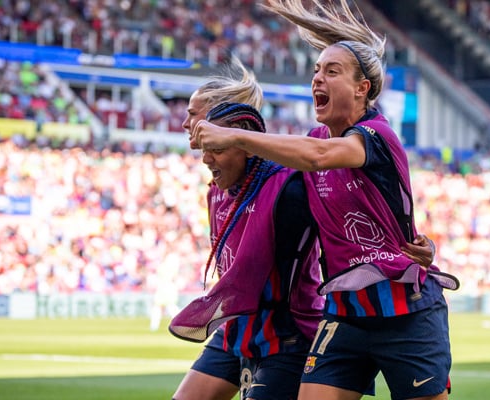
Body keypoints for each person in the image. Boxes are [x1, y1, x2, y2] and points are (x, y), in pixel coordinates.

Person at [190, 1, 459, 399]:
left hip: (406, 310)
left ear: (362, 88)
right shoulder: (311, 144)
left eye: (331, 72)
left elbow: (318, 159)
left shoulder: (375, 136)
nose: (318, 78)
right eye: (316, 71)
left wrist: (235, 136)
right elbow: (276, 172)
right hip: (345, 314)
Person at [170, 100, 324, 400]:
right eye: (205, 150)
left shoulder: (289, 188)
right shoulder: (215, 193)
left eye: (217, 149)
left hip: (286, 336)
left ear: (250, 147)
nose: (206, 159)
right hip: (235, 331)